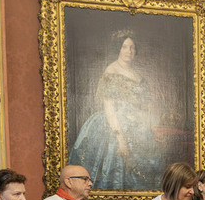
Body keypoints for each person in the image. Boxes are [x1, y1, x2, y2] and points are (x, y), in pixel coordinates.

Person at [68, 31, 159, 190]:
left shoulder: (137, 75)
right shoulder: (111, 71)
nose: (129, 51)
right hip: (113, 125)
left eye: (132, 47)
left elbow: (143, 107)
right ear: (118, 48)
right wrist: (121, 140)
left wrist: (147, 127)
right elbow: (109, 107)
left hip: (137, 127)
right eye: (125, 47)